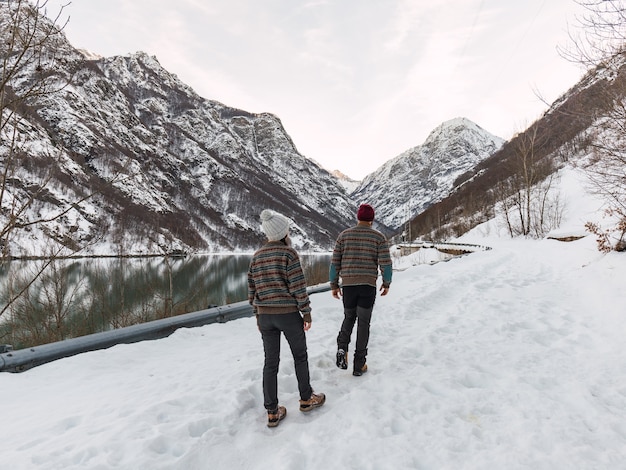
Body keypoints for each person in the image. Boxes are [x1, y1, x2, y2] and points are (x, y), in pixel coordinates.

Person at [248, 209, 326, 428]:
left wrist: (257, 314)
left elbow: (251, 290)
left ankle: (272, 412)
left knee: (270, 363)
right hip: (288, 315)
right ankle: (306, 399)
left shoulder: (256, 257)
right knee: (300, 356)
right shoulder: (288, 254)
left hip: (265, 317)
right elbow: (298, 287)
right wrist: (306, 312)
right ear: (283, 233)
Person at [329, 203, 392, 376]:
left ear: (357, 218)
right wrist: (386, 283)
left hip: (348, 286)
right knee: (364, 323)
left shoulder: (344, 235)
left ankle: (342, 348)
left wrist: (334, 285)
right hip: (367, 286)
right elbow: (386, 264)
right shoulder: (378, 237)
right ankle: (359, 364)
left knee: (349, 318)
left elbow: (335, 263)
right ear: (372, 220)